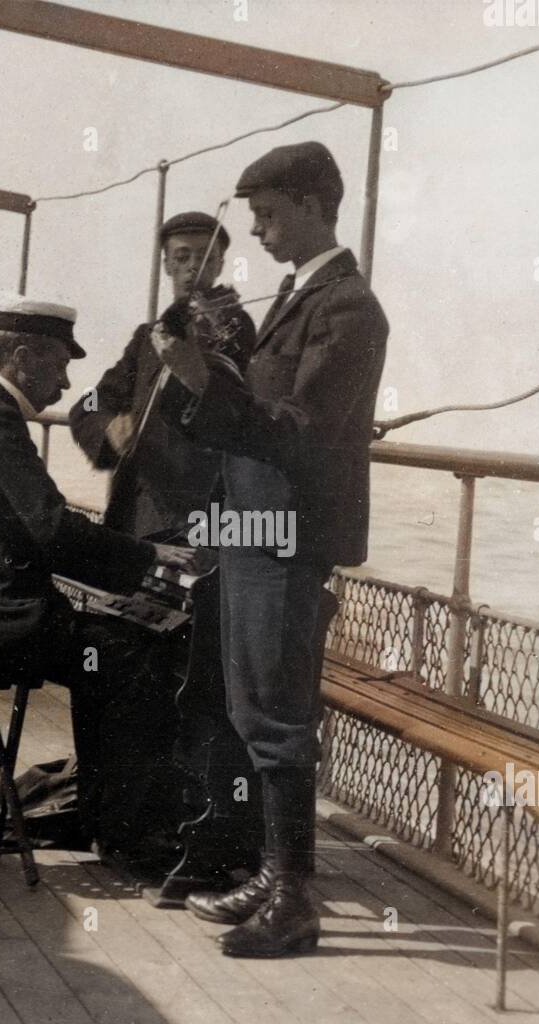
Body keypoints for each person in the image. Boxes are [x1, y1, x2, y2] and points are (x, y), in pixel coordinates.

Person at [152, 142, 390, 957]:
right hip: (251, 530)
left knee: (279, 716)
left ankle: (294, 900)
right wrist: (204, 376)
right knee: (251, 708)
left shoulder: (348, 308)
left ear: (315, 206)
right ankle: (271, 871)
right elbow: (261, 415)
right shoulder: (299, 297)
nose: (253, 231)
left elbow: (302, 433)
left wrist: (199, 379)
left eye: (267, 215)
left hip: (288, 539)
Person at [0, 294, 196, 858]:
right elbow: (51, 529)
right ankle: (126, 834)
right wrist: (150, 558)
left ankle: (97, 810)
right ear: (24, 357)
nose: (68, 379)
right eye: (60, 363)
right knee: (133, 659)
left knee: (106, 650)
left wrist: (118, 563)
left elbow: (34, 528)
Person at [69, 212, 255, 539]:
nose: (194, 267)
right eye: (182, 257)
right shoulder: (148, 338)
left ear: (220, 265)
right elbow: (92, 400)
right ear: (167, 265)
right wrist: (107, 425)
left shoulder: (235, 329)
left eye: (206, 258)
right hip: (134, 510)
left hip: (198, 515)